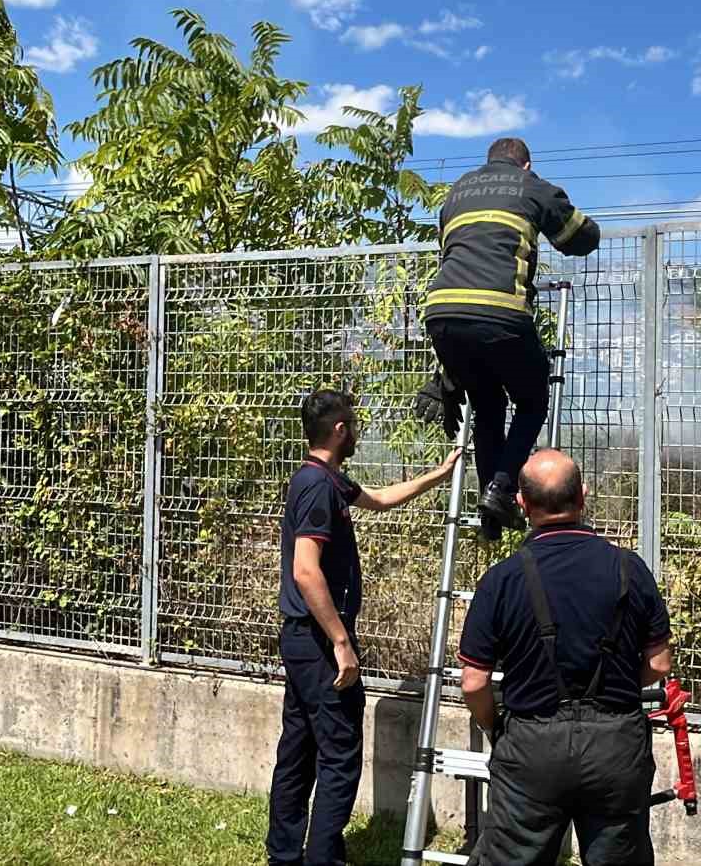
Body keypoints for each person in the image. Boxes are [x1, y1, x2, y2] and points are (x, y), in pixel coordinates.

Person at [266, 389, 461, 866]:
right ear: (338, 430)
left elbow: (379, 499)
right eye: (352, 424)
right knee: (338, 753)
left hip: (303, 638)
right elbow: (306, 571)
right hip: (318, 640)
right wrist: (340, 642)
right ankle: (321, 858)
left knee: (299, 745)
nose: (357, 431)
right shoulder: (316, 487)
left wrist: (439, 474)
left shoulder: (327, 479)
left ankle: (285, 854)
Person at [456, 449, 673, 866]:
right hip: (615, 748)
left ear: (521, 503)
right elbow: (660, 664)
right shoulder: (630, 569)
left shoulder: (501, 580)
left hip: (530, 747)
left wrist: (496, 728)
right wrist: (619, 682)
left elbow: (474, 682)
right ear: (584, 496)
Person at [414, 137, 601, 540]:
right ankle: (501, 489)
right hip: (500, 312)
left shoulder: (457, 192)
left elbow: (458, 253)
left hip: (442, 314)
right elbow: (582, 237)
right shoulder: (531, 185)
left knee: (488, 404)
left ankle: (490, 511)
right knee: (532, 402)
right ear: (526, 164)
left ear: (488, 162)